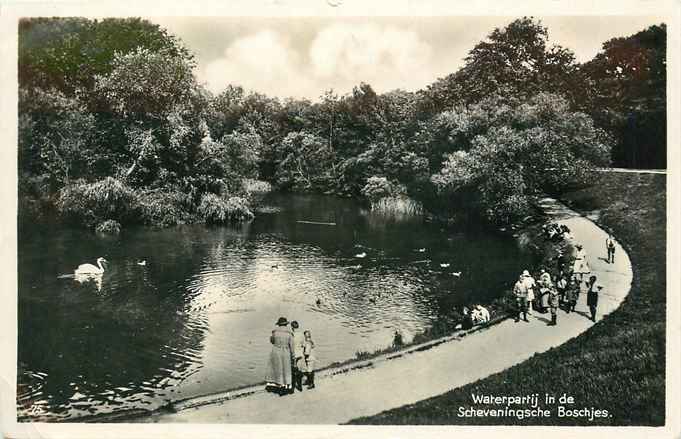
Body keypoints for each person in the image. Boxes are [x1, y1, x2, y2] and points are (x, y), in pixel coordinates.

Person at [265, 317, 294, 395]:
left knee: (277, 368)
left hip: (276, 350)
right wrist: (293, 356)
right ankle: (287, 387)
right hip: (285, 351)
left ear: (279, 324)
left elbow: (272, 341)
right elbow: (292, 346)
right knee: (286, 369)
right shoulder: (289, 333)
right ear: (286, 324)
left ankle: (279, 386)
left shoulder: (275, 332)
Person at [290, 321, 305, 392]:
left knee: (293, 370)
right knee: (299, 370)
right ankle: (300, 386)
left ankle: (292, 387)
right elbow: (303, 344)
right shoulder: (301, 334)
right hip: (300, 353)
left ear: (292, 327)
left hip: (294, 354)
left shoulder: (292, 335)